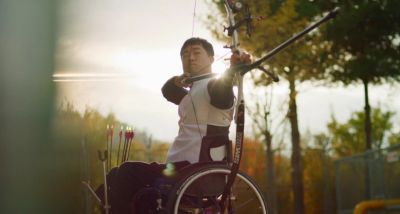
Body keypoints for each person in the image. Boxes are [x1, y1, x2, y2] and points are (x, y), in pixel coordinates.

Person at [97, 37, 250, 214]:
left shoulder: (214, 87)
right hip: (179, 166)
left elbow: (222, 95)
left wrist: (231, 71)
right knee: (114, 175)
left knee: (126, 172)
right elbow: (167, 90)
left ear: (211, 58)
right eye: (185, 55)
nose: (190, 58)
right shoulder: (193, 92)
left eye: (196, 53)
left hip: (195, 167)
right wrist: (180, 80)